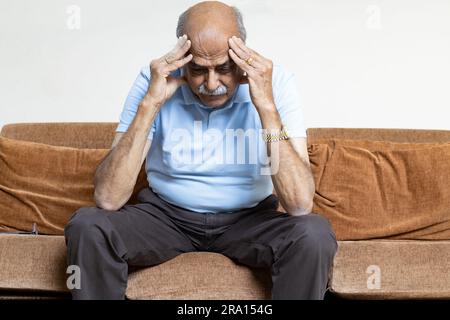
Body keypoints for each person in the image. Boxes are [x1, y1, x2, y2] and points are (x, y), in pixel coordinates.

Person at [64, 1, 337, 300]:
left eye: (223, 69)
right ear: (182, 59)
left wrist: (267, 109)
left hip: (250, 219)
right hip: (165, 217)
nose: (211, 84)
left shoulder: (276, 83)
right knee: (88, 225)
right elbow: (107, 198)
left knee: (313, 234)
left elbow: (299, 205)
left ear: (241, 60)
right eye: (198, 70)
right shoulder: (153, 80)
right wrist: (151, 104)